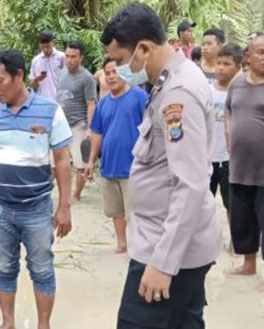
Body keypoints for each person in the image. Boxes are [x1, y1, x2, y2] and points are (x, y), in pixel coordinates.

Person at [101, 3, 222, 328]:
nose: (119, 69)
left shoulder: (177, 95)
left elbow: (191, 184)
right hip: (164, 240)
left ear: (143, 48)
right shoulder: (170, 82)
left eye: (121, 61)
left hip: (167, 250)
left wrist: (164, 264)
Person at [0, 49, 73, 329]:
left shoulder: (50, 111)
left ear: (19, 76)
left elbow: (63, 160)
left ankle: (43, 324)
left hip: (37, 210)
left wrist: (64, 206)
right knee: (4, 267)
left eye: (0, 80)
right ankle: (8, 322)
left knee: (41, 268)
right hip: (1, 209)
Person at [84, 57, 148, 254]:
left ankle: (138, 247)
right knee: (116, 211)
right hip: (109, 165)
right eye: (108, 73)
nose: (111, 77)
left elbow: (150, 130)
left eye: (115, 72)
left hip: (134, 166)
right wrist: (90, 161)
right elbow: (97, 133)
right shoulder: (103, 103)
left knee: (135, 212)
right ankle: (122, 244)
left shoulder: (140, 97)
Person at [225, 35, 264, 277]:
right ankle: (249, 265)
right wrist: (230, 136)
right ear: (248, 56)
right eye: (260, 51)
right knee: (243, 220)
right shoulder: (236, 83)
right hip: (240, 168)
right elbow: (229, 110)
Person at [56, 40, 97, 202]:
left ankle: (76, 194)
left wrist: (89, 128)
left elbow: (91, 104)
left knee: (80, 163)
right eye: (67, 56)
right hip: (61, 125)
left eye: (73, 56)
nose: (69, 60)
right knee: (58, 162)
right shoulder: (62, 73)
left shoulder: (87, 78)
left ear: (81, 58)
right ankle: (62, 193)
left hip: (78, 124)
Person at [210, 44, 243, 226]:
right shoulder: (207, 91)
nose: (221, 67)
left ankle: (235, 243)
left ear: (238, 67)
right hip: (208, 157)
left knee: (233, 204)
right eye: (219, 63)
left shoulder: (241, 92)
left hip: (230, 159)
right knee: (204, 204)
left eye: (227, 64)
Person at [30, 29, 65, 100]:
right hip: (42, 100)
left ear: (53, 43)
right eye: (43, 47)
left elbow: (68, 78)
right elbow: (33, 86)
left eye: (48, 46)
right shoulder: (36, 61)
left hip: (60, 100)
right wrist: (36, 80)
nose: (45, 49)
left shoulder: (62, 57)